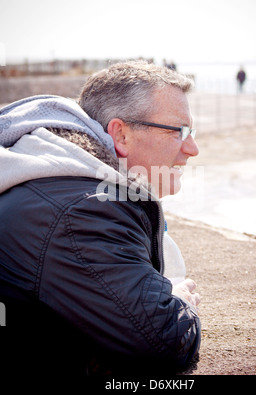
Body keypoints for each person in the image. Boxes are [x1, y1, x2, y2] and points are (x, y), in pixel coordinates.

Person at [0, 61, 201, 376]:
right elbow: (163, 343)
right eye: (179, 132)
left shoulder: (58, 180)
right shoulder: (85, 210)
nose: (193, 149)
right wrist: (179, 300)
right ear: (120, 135)